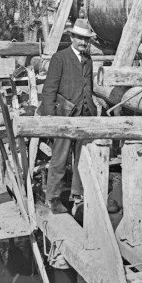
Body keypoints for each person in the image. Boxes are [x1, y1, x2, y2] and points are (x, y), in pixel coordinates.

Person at [40, 18, 98, 214]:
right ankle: (53, 198)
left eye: (86, 40)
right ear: (72, 37)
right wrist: (51, 117)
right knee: (60, 159)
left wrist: (94, 109)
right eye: (80, 38)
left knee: (83, 157)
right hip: (64, 116)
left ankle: (77, 195)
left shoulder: (88, 60)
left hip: (84, 115)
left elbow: (87, 88)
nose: (83, 42)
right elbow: (49, 90)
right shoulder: (60, 58)